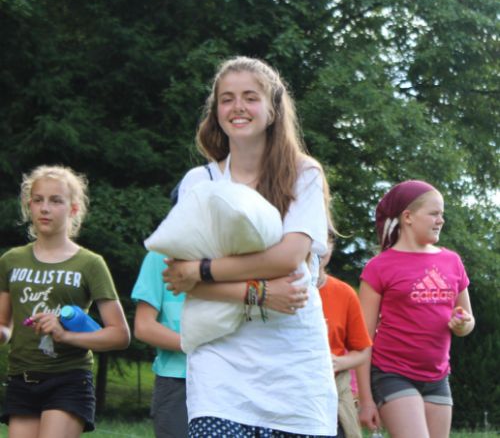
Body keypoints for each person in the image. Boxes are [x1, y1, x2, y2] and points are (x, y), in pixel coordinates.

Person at [163, 56, 338, 437]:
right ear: (216, 111)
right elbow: (179, 277)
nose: (237, 107)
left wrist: (204, 270)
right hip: (219, 366)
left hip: (295, 367)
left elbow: (289, 257)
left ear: (273, 109)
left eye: (250, 97)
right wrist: (259, 292)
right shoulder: (199, 182)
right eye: (226, 99)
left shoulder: (303, 173)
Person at [0, 165, 130, 437]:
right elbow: (4, 327)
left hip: (69, 380)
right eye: (38, 200)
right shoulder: (11, 260)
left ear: (73, 209)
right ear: (29, 206)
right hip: (21, 378)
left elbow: (119, 335)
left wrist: (64, 335)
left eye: (56, 201)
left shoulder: (90, 264)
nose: (45, 208)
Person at [357, 180, 475, 438]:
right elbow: (362, 339)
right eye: (434, 213)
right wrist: (365, 400)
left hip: (438, 377)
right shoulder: (379, 267)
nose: (441, 220)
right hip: (392, 374)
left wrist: (462, 323)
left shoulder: (452, 261)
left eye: (442, 214)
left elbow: (467, 321)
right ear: (408, 217)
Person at [318, 230, 372, 438]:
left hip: (334, 393)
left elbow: (363, 351)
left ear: (332, 247)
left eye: (325, 242)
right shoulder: (280, 289)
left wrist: (339, 362)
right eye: (312, 241)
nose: (319, 249)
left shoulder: (344, 293)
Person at [131, 250, 188, 438]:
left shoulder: (233, 252)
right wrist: (201, 348)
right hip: (177, 379)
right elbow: (144, 327)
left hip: (231, 378)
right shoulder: (159, 255)